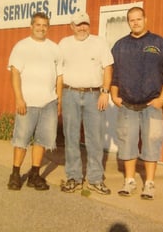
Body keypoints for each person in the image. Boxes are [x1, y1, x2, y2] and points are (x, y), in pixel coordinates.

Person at [111, 7, 163, 200]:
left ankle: (149, 183)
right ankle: (130, 181)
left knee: (152, 141)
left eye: (138, 19)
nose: (135, 23)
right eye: (131, 20)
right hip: (127, 104)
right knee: (127, 141)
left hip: (152, 105)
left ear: (145, 20)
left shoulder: (158, 43)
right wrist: (115, 96)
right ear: (128, 22)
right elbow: (113, 73)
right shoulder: (120, 46)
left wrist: (162, 98)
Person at [59, 12, 113, 194]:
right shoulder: (64, 44)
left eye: (85, 24)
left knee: (95, 139)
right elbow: (58, 71)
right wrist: (58, 96)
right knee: (71, 137)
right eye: (79, 24)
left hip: (94, 95)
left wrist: (105, 92)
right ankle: (73, 177)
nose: (82, 28)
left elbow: (108, 67)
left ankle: (95, 179)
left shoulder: (99, 42)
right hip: (70, 93)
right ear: (72, 26)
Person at [7, 12, 63, 191]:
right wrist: (19, 99)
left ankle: (34, 175)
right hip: (27, 102)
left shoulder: (54, 48)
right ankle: (15, 174)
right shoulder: (21, 47)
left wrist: (58, 100)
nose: (41, 28)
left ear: (48, 27)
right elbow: (15, 73)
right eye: (38, 25)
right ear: (31, 26)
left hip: (49, 103)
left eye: (44, 25)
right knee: (21, 140)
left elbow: (59, 77)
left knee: (42, 140)